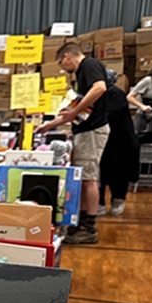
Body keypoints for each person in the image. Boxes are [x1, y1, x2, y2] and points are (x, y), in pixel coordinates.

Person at [36, 42, 127, 244]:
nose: (62, 68)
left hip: (92, 132)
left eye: (61, 63)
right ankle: (80, 223)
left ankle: (89, 228)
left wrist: (76, 111)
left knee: (89, 178)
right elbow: (73, 112)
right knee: (84, 178)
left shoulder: (89, 65)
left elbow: (100, 88)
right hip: (83, 130)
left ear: (68, 56)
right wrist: (49, 125)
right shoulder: (80, 77)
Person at [98, 91, 140, 216]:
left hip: (120, 143)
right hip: (103, 141)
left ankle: (117, 199)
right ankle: (100, 202)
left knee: (119, 174)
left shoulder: (116, 96)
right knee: (100, 173)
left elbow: (111, 113)